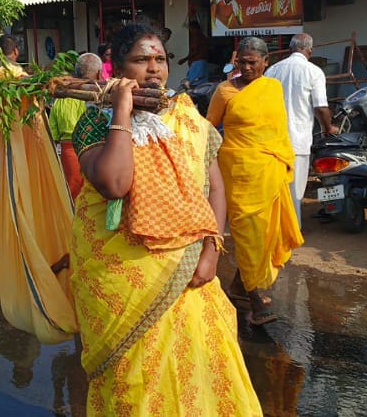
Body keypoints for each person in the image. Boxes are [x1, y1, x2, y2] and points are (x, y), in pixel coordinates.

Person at [69, 23, 262, 415]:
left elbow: (215, 189)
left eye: (160, 59)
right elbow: (114, 183)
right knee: (135, 378)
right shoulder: (93, 122)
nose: (154, 69)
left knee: (201, 368)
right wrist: (122, 108)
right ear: (118, 68)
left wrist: (212, 250)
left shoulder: (188, 119)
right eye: (141, 60)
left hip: (189, 268)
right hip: (125, 279)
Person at [207, 37, 304, 325]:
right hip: (238, 173)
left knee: (265, 234)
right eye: (242, 62)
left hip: (270, 172)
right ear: (235, 62)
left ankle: (239, 285)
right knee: (248, 235)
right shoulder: (224, 91)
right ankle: (255, 297)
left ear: (266, 63)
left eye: (253, 62)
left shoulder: (272, 87)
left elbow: (277, 129)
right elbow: (209, 127)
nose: (247, 67)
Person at [265, 33, 338, 229]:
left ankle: (275, 230)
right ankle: (292, 231)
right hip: (298, 141)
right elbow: (321, 107)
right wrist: (328, 128)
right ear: (310, 51)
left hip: (272, 140)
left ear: (290, 49)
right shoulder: (313, 71)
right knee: (295, 191)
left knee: (275, 189)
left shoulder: (272, 70)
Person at [49, 52, 102, 200]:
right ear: (99, 74)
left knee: (73, 192)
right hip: (94, 148)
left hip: (67, 151)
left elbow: (54, 132)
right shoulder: (100, 96)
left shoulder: (60, 96)